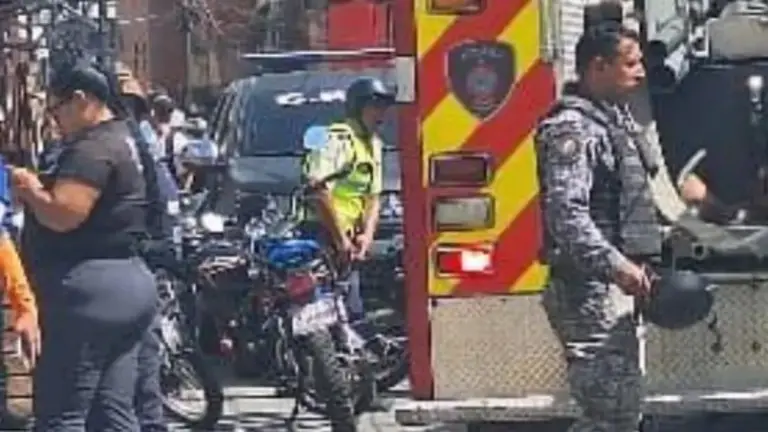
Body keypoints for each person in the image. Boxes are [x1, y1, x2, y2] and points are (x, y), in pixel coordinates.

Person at [14, 60, 158, 431]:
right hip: (128, 284)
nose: (54, 119)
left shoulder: (93, 148)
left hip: (87, 293)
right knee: (112, 410)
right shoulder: (125, 137)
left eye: (56, 109)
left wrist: (30, 190)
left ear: (81, 99)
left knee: (63, 413)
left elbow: (64, 214)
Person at [535, 22, 660, 431]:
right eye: (630, 63)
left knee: (620, 411)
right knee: (610, 413)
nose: (640, 72)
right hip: (586, 290)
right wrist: (616, 265)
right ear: (598, 66)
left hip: (610, 289)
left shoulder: (611, 120)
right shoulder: (573, 127)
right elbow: (565, 214)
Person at [300, 77, 395, 431]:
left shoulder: (375, 144)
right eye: (375, 106)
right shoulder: (335, 138)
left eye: (384, 106)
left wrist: (366, 235)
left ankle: (360, 390)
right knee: (318, 316)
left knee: (350, 312)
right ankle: (312, 380)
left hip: (348, 238)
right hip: (319, 235)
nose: (381, 113)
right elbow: (318, 190)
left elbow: (373, 196)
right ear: (358, 107)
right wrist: (340, 239)